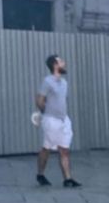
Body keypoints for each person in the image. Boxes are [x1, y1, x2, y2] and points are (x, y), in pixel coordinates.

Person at [35, 54, 81, 188]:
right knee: (47, 149)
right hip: (51, 120)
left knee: (64, 150)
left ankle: (68, 179)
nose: (64, 63)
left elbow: (63, 100)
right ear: (55, 65)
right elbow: (39, 100)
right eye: (61, 61)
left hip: (64, 120)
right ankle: (40, 174)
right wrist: (46, 114)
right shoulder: (47, 81)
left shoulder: (64, 82)